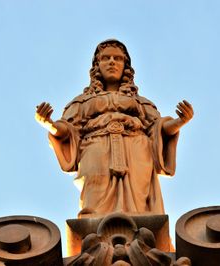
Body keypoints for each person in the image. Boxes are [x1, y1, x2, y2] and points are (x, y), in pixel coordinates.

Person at [36, 39, 193, 218]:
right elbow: (68, 130)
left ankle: (142, 237)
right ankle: (93, 238)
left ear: (125, 66)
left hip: (136, 151)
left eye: (118, 59)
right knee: (93, 205)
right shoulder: (81, 101)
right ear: (97, 65)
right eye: (106, 58)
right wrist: (49, 124)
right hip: (96, 148)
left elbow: (158, 129)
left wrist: (180, 121)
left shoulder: (140, 102)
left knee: (140, 209)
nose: (112, 62)